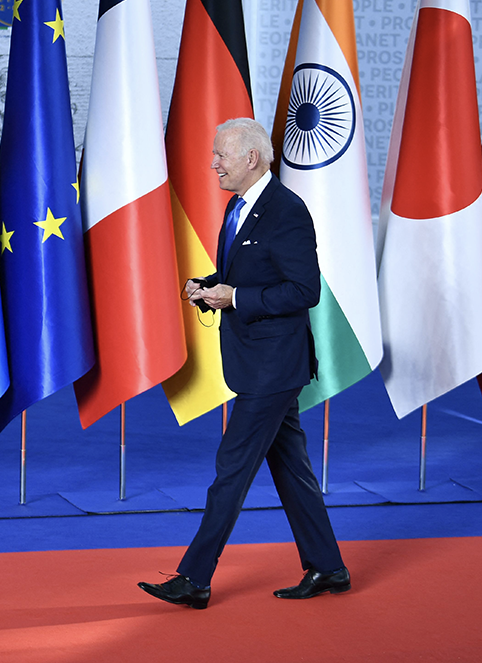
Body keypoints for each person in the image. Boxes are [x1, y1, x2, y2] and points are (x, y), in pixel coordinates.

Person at [138, 118, 349, 609]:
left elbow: (304, 291)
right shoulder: (238, 206)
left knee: (231, 468)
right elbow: (246, 275)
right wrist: (210, 287)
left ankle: (194, 578)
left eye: (221, 155)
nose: (213, 163)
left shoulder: (287, 212)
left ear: (251, 158)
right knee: (292, 471)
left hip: (274, 368)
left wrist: (235, 296)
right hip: (254, 362)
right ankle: (329, 567)